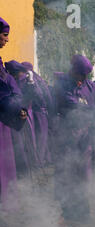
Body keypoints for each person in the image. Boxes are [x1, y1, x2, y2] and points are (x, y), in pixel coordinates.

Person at [53, 54, 95, 224]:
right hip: (68, 134)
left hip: (86, 135)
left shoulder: (90, 86)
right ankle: (67, 211)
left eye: (85, 75)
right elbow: (71, 102)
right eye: (80, 74)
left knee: (85, 173)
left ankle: (82, 211)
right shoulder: (62, 84)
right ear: (74, 70)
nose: (82, 78)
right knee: (68, 173)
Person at [0, 17, 28, 215]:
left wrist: (19, 106)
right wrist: (15, 102)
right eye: (5, 34)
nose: (7, 40)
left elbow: (13, 90)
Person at [5, 60, 41, 177]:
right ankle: (23, 169)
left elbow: (34, 96)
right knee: (20, 144)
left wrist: (31, 82)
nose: (24, 74)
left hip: (24, 113)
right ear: (16, 73)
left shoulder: (22, 81)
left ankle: (27, 167)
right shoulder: (14, 82)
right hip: (18, 114)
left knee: (27, 141)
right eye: (22, 72)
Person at [22, 61, 52, 165]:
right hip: (39, 112)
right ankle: (40, 160)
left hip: (38, 113)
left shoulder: (33, 80)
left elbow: (39, 95)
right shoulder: (39, 79)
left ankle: (38, 161)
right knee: (41, 137)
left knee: (39, 137)